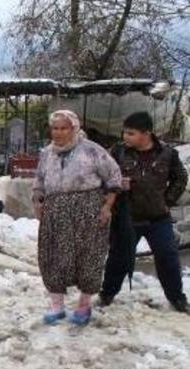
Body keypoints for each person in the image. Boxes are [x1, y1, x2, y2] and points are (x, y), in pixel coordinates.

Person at [33, 110, 122, 326]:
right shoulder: (47, 153)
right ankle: (57, 306)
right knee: (52, 256)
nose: (58, 133)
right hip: (55, 212)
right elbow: (39, 180)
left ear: (74, 128)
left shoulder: (92, 150)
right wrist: (37, 201)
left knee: (88, 255)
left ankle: (84, 304)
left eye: (64, 128)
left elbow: (114, 177)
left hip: (87, 211)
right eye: (55, 128)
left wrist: (107, 207)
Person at [100, 112, 189, 312]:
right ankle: (107, 294)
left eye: (131, 133)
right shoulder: (118, 152)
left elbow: (181, 177)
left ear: (147, 133)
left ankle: (177, 298)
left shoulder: (167, 153)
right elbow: (103, 176)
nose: (126, 137)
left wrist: (167, 201)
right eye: (125, 132)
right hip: (126, 217)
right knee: (119, 259)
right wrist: (116, 185)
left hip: (158, 218)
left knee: (168, 257)